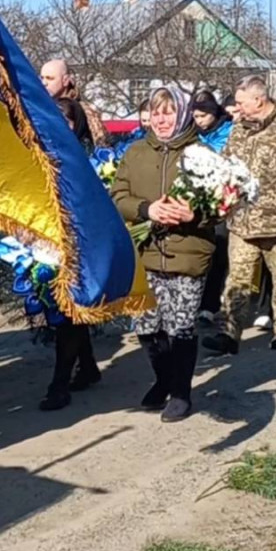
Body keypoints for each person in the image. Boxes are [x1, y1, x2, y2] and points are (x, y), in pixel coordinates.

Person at [112, 85, 215, 421]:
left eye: (169, 112)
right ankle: (163, 379)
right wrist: (146, 209)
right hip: (145, 253)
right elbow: (117, 197)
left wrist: (194, 215)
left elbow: (223, 204)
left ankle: (181, 392)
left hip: (187, 252)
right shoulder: (135, 153)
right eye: (156, 112)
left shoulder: (201, 154)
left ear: (182, 114)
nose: (162, 119)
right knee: (146, 325)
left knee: (181, 326)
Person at [203, 75, 276, 355]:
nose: (237, 108)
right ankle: (229, 332)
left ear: (259, 99)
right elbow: (228, 162)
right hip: (244, 218)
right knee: (237, 278)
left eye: (241, 102)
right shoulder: (239, 127)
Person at [38, 97, 102, 410]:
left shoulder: (87, 157)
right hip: (47, 243)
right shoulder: (40, 154)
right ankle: (88, 366)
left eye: (68, 120)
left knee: (69, 313)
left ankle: (59, 384)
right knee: (65, 314)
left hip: (80, 244)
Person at [191, 90, 233, 324]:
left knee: (218, 251)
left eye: (203, 116)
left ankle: (211, 304)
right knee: (199, 251)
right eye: (195, 116)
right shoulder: (193, 135)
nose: (199, 121)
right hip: (197, 201)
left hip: (223, 202)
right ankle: (196, 301)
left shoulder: (229, 133)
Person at [40, 57, 106, 148]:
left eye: (50, 78)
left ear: (65, 80)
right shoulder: (79, 106)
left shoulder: (66, 108)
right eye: (42, 78)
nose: (44, 83)